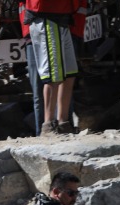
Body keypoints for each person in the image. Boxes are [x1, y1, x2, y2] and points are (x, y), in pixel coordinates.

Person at [22, 0, 84, 134]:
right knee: (52, 75)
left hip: (62, 18)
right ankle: (48, 125)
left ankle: (63, 123)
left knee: (69, 74)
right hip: (46, 17)